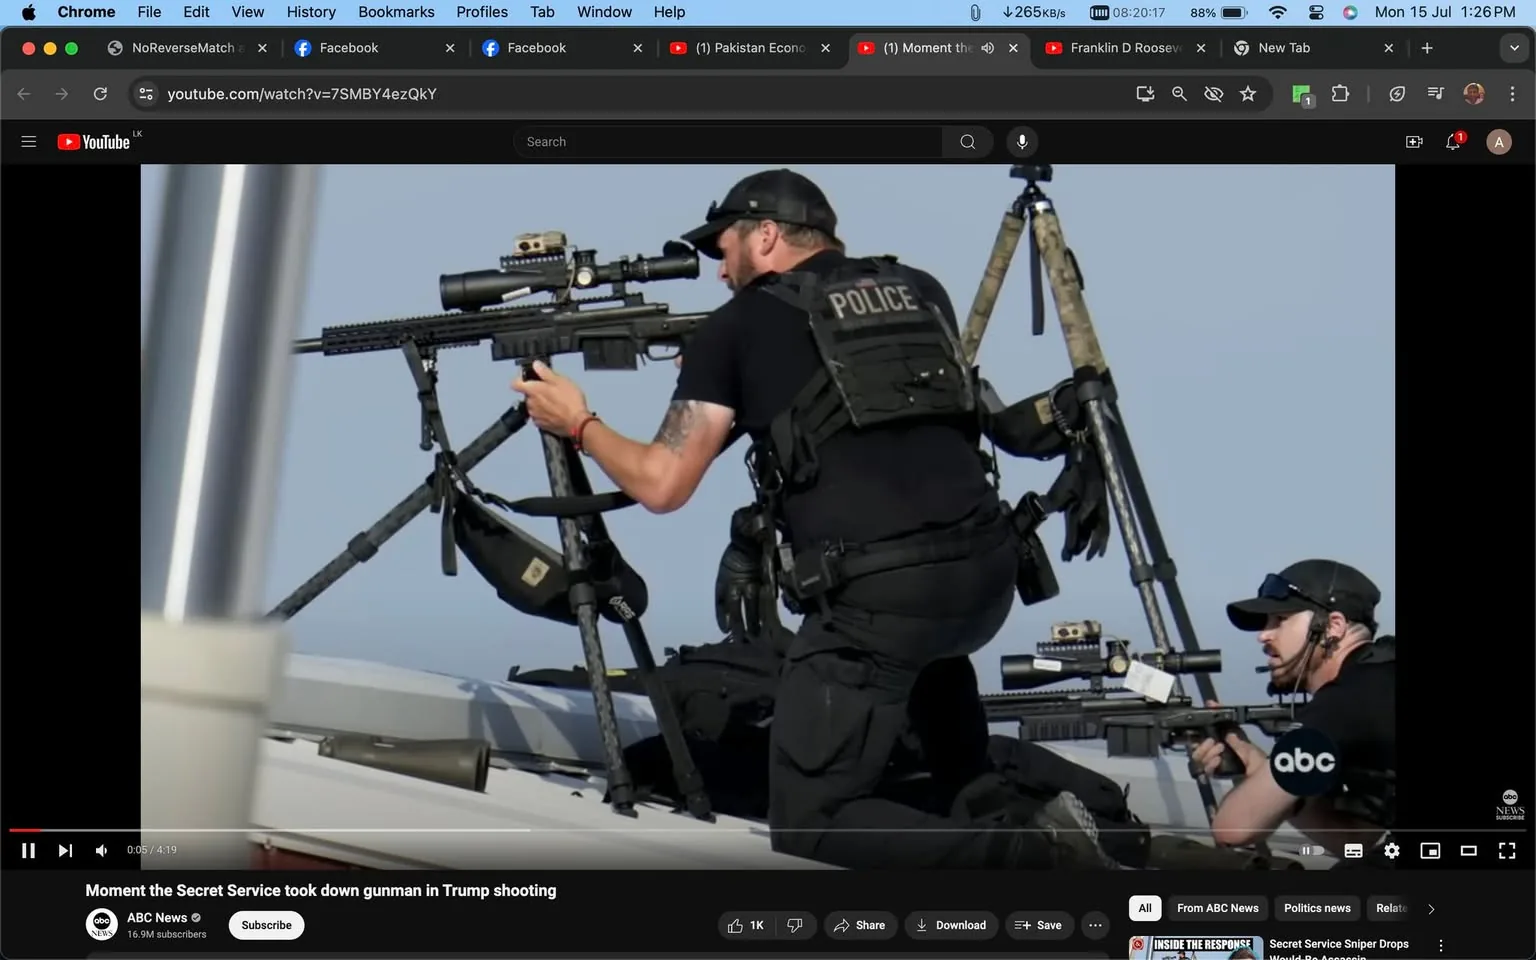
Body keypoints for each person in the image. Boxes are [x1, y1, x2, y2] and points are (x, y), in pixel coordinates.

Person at [512, 168, 1117, 869]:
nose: (721, 272)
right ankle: (1043, 833)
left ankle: (1036, 859)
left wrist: (577, 421)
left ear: (766, 234)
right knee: (956, 775)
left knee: (812, 825)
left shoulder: (735, 328)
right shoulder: (921, 290)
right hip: (982, 581)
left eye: (726, 249)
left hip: (878, 604)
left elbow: (663, 481)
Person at [1192, 559, 1396, 862]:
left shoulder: (1341, 705)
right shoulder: (1376, 680)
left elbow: (1232, 830)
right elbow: (1357, 841)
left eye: (1280, 620)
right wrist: (1258, 765)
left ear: (1333, 626)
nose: (1264, 635)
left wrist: (1263, 777)